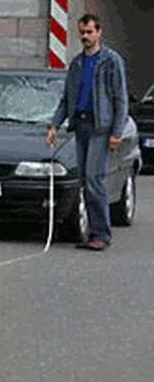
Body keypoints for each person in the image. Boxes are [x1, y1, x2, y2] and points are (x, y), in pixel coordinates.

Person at [47, 13, 128, 251]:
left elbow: (120, 99)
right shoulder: (77, 63)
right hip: (80, 125)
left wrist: (116, 132)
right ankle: (91, 232)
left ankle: (101, 234)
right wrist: (54, 125)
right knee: (84, 180)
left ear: (99, 32)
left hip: (100, 127)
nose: (85, 36)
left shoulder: (111, 61)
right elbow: (66, 99)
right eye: (82, 32)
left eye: (90, 32)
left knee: (95, 179)